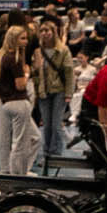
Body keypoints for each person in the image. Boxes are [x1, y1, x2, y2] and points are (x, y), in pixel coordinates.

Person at [0, 25, 40, 175]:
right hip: (19, 102)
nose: (26, 42)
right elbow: (20, 85)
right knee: (20, 142)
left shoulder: (0, 57)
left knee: (6, 138)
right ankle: (18, 173)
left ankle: (7, 169)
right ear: (14, 39)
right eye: (23, 38)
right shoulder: (15, 58)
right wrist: (26, 74)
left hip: (5, 102)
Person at [34, 17, 75, 166]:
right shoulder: (38, 51)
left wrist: (69, 93)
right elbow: (35, 73)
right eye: (42, 31)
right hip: (43, 91)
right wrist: (36, 91)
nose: (45, 33)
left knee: (56, 124)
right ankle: (47, 154)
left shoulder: (63, 50)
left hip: (60, 90)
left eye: (47, 30)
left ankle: (56, 154)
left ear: (54, 32)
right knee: (46, 125)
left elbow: (69, 72)